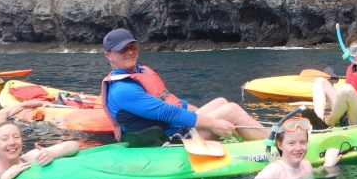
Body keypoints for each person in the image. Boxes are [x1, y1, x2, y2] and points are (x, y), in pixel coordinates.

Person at [100, 28, 268, 146]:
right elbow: (167, 112)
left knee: (221, 102)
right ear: (108, 55)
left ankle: (249, 137)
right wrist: (212, 123)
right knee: (232, 110)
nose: (130, 52)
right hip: (168, 141)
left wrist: (207, 119)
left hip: (177, 129)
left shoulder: (139, 72)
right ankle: (275, 146)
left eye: (132, 47)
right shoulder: (122, 89)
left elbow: (177, 104)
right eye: (122, 50)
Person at [244, 116, 341, 179]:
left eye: (303, 142)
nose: (298, 148)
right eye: (291, 143)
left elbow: (315, 173)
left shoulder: (306, 165)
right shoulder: (275, 170)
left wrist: (328, 165)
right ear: (280, 145)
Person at [0, 121, 80, 179]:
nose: (12, 142)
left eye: (16, 137)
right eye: (5, 139)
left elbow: (74, 146)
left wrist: (52, 153)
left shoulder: (29, 158)